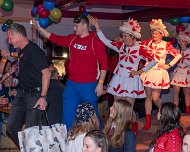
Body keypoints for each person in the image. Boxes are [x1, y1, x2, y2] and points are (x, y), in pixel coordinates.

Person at [33, 14, 108, 130]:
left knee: (92, 117)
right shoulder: (72, 38)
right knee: (68, 116)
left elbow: (104, 65)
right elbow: (55, 38)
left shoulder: (95, 43)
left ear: (84, 25)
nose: (74, 28)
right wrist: (40, 28)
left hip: (88, 85)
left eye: (76, 26)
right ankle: (67, 143)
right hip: (72, 84)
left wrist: (100, 83)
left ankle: (99, 143)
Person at [89, 16, 156, 135]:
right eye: (123, 36)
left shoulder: (140, 49)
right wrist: (97, 27)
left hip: (131, 80)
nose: (123, 38)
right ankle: (116, 129)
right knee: (116, 106)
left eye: (125, 36)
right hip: (119, 78)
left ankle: (131, 128)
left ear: (132, 36)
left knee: (129, 108)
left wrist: (139, 72)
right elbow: (105, 41)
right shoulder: (120, 46)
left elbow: (153, 61)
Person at [5, 23, 51, 147]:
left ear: (18, 35)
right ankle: (25, 148)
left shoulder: (34, 50)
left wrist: (42, 97)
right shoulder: (22, 51)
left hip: (35, 95)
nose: (9, 41)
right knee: (11, 127)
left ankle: (29, 148)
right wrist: (9, 56)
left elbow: (46, 73)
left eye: (10, 37)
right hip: (21, 94)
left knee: (30, 132)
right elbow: (24, 62)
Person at [140, 19, 182, 130]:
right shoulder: (147, 43)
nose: (154, 35)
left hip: (159, 73)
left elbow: (178, 55)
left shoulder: (166, 45)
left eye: (156, 33)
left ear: (161, 34)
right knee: (147, 98)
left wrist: (169, 65)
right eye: (153, 33)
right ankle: (148, 121)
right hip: (148, 72)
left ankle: (166, 112)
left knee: (155, 98)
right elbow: (136, 46)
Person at [171, 31, 190, 113]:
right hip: (178, 73)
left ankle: (188, 111)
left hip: (186, 73)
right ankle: (175, 111)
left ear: (186, 42)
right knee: (176, 93)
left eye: (183, 41)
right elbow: (173, 62)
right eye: (180, 41)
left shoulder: (189, 52)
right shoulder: (177, 51)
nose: (181, 42)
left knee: (187, 94)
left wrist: (183, 59)